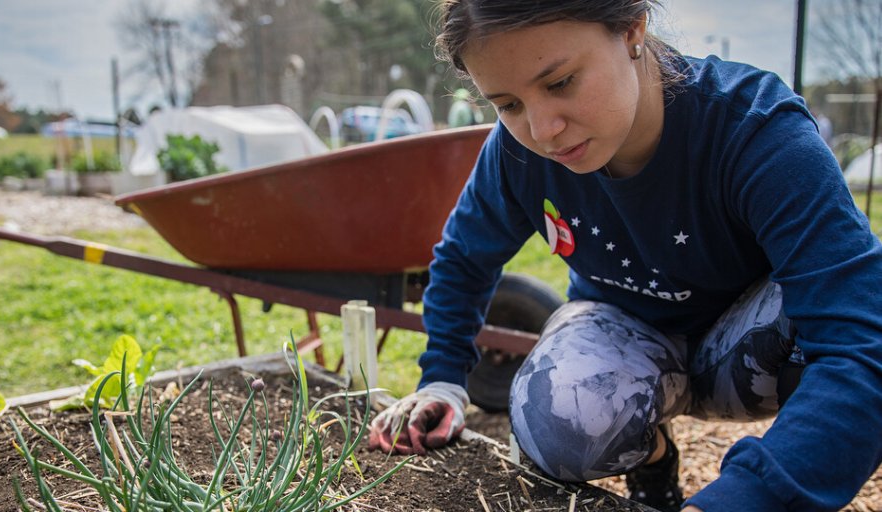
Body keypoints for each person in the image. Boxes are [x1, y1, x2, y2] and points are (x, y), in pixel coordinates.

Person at [367, 1, 882, 511]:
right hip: (629, 339)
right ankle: (652, 458)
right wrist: (443, 378)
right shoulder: (515, 152)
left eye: (560, 83)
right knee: (552, 428)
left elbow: (860, 346)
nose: (543, 130)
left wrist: (745, 499)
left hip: (749, 352)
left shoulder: (755, 130)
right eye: (508, 104)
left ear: (632, 29)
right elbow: (463, 257)